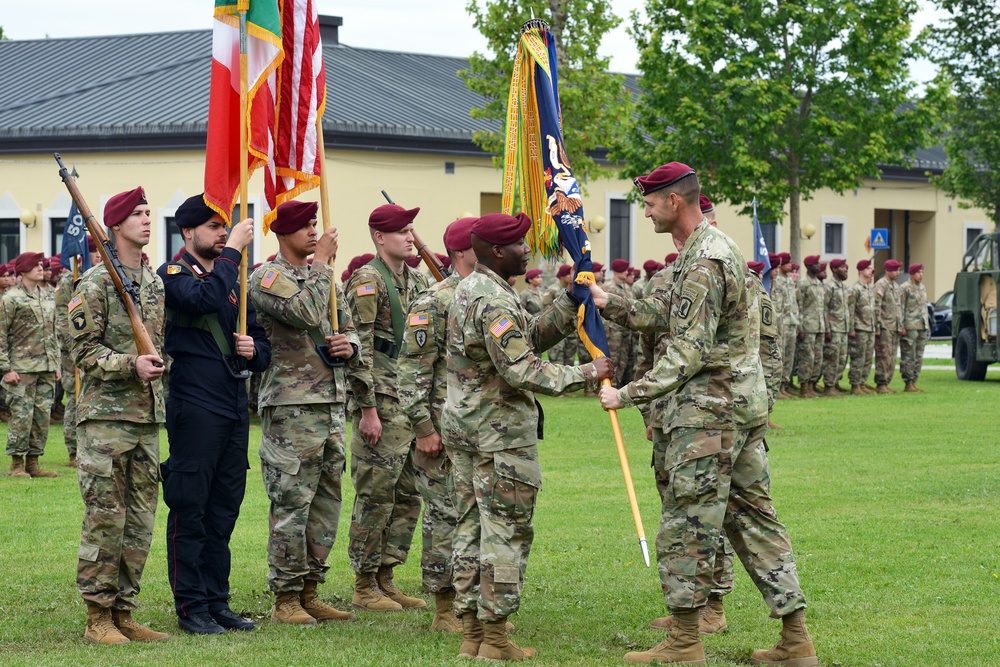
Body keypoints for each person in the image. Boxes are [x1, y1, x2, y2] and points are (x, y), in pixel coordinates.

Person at [593, 162, 816, 666]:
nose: (645, 211)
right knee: (756, 521)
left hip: (708, 415)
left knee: (688, 524)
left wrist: (627, 394)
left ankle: (686, 641)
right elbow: (668, 315)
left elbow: (688, 350)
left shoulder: (703, 260)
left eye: (650, 203)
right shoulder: (708, 250)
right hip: (736, 409)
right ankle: (795, 641)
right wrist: (610, 303)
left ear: (675, 201)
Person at [444, 212, 613, 661]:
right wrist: (586, 373)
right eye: (519, 244)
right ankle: (494, 639)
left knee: (470, 530)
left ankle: (471, 635)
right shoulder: (494, 300)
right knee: (505, 533)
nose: (527, 249)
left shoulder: (476, 289)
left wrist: (566, 299)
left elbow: (526, 338)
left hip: (468, 431)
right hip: (497, 435)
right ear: (498, 251)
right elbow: (520, 367)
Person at [158, 194, 271, 635]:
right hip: (195, 404)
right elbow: (200, 301)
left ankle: (217, 602)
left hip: (232, 405)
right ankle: (191, 606)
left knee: (223, 510)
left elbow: (261, 344)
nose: (223, 233)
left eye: (224, 226)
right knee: (191, 507)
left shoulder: (232, 280)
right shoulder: (173, 274)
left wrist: (254, 351)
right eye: (212, 226)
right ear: (188, 233)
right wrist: (232, 254)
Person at [248, 200, 360, 625]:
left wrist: (351, 346)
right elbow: (305, 312)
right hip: (291, 407)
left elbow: (345, 326)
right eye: (304, 226)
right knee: (291, 503)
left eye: (315, 224)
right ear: (283, 234)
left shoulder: (323, 277)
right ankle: (286, 597)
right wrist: (324, 264)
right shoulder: (268, 277)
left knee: (326, 503)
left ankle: (312, 589)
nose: (314, 232)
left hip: (331, 403)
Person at [70, 186, 168, 644]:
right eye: (138, 214)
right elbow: (84, 352)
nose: (148, 220)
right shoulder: (93, 284)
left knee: (141, 519)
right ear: (115, 225)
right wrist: (131, 365)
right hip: (106, 419)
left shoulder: (152, 282)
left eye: (150, 213)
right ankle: (98, 617)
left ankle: (125, 611)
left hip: (146, 418)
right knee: (106, 518)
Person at [344, 203, 429, 612]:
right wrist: (367, 409)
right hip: (382, 399)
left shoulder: (415, 279)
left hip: (411, 400)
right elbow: (356, 349)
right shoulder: (368, 281)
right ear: (380, 238)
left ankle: (386, 575)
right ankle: (364, 583)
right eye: (403, 232)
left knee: (407, 492)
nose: (411, 238)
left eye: (412, 231)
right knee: (376, 492)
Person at [397, 217, 477, 633]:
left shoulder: (487, 293)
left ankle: (474, 605)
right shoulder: (434, 301)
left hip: (479, 430)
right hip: (441, 432)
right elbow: (411, 371)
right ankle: (446, 608)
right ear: (465, 250)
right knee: (444, 518)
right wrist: (423, 428)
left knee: (477, 518)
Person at [1, 251, 61, 478]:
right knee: (21, 416)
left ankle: (33, 462)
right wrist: (6, 369)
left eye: (40, 265)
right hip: (21, 368)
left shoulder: (47, 295)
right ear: (24, 270)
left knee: (41, 416)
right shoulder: (11, 298)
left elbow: (52, 332)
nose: (40, 268)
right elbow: (1, 335)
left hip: (45, 367)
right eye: (35, 265)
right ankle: (17, 463)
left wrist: (55, 363)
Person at [795, 255, 826, 399]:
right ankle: (804, 387)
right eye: (815, 264)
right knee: (807, 358)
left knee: (817, 358)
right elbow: (799, 306)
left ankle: (812, 384)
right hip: (807, 326)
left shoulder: (819, 284)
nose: (818, 266)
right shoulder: (803, 283)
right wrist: (800, 327)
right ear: (808, 266)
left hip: (819, 326)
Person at [873, 259, 904, 393]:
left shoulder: (896, 286)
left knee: (892, 356)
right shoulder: (881, 285)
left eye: (898, 270)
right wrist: (878, 326)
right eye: (895, 270)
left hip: (894, 326)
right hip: (885, 326)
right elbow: (876, 307)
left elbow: (899, 308)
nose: (897, 272)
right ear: (887, 271)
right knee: (883, 355)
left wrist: (901, 325)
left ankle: (886, 382)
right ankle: (881, 384)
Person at [847, 259, 877, 395]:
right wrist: (851, 329)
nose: (871, 272)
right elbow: (851, 310)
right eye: (868, 269)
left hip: (869, 327)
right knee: (858, 357)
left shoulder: (870, 288)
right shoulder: (855, 289)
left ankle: (863, 382)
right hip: (859, 328)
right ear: (861, 271)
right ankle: (855, 384)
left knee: (868, 357)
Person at [821, 258, 851, 395]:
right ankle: (829, 386)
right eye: (842, 267)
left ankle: (836, 382)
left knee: (842, 358)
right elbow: (824, 309)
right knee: (832, 358)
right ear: (834, 269)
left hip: (843, 328)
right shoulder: (829, 287)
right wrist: (827, 329)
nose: (845, 269)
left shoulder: (844, 287)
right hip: (833, 328)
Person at [900, 262, 929, 392]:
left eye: (922, 272)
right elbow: (900, 307)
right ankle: (908, 382)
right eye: (918, 272)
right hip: (910, 326)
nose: (921, 275)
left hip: (921, 325)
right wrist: (902, 326)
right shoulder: (905, 288)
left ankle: (914, 382)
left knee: (919, 356)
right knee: (909, 356)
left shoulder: (922, 287)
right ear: (912, 274)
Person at [607, 259, 635, 386]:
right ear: (617, 271)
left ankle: (617, 384)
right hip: (613, 329)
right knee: (613, 359)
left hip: (625, 329)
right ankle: (610, 385)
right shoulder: (609, 288)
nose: (627, 272)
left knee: (623, 360)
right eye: (624, 270)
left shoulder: (627, 288)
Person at [542, 264, 577, 366]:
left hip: (571, 331)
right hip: (557, 330)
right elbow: (546, 310)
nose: (571, 277)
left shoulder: (573, 289)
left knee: (570, 362)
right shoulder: (552, 289)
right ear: (561, 276)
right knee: (557, 362)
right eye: (568, 275)